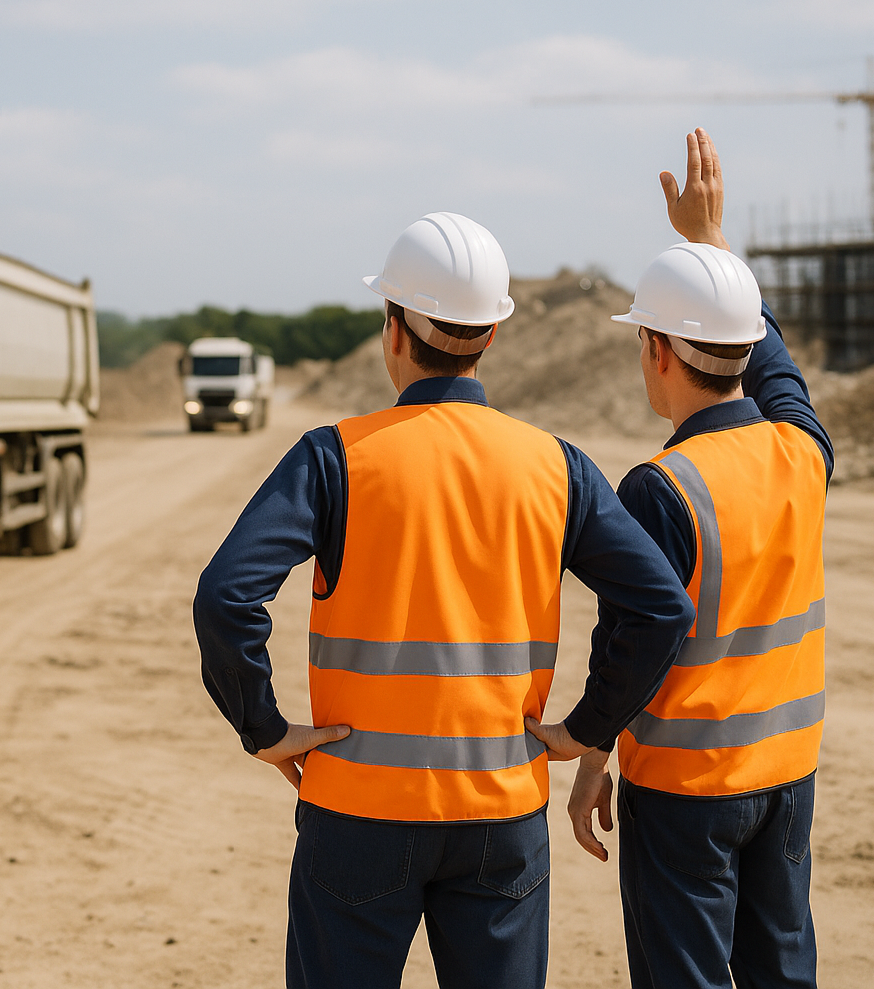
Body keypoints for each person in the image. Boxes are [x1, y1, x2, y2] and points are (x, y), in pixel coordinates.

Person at [193, 212, 696, 989]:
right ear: (493, 334)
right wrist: (585, 728)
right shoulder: (555, 466)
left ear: (393, 329)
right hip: (500, 814)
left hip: (356, 811)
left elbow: (227, 598)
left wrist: (262, 727)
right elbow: (662, 608)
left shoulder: (335, 458)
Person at [560, 130, 834, 989]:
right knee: (782, 971)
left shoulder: (661, 487)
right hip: (788, 775)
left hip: (686, 788)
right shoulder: (803, 452)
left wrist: (588, 745)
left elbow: (638, 638)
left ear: (656, 350)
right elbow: (776, 367)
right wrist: (712, 247)